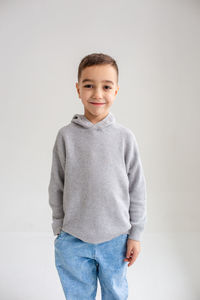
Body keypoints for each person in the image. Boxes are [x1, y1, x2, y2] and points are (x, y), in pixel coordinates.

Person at [48, 52, 147, 300]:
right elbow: (56, 185)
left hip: (116, 240)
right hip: (73, 239)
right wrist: (59, 227)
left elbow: (137, 189)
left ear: (116, 91)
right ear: (78, 89)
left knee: (115, 293)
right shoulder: (66, 136)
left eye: (106, 86)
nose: (97, 94)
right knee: (78, 295)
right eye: (89, 85)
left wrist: (135, 234)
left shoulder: (125, 138)